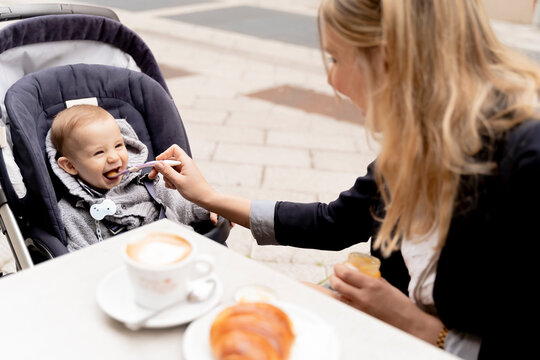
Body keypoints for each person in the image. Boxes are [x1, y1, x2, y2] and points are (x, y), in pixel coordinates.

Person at [149, 0, 539, 358]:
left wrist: (420, 328)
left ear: (387, 58)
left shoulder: (524, 161)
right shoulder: (417, 143)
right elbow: (333, 222)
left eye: (335, 58)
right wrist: (208, 196)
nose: (332, 81)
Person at [46, 104, 212, 251]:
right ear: (70, 166)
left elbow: (186, 204)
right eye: (99, 152)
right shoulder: (72, 214)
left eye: (118, 145)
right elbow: (81, 259)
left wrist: (209, 207)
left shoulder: (148, 184)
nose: (113, 157)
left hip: (178, 254)